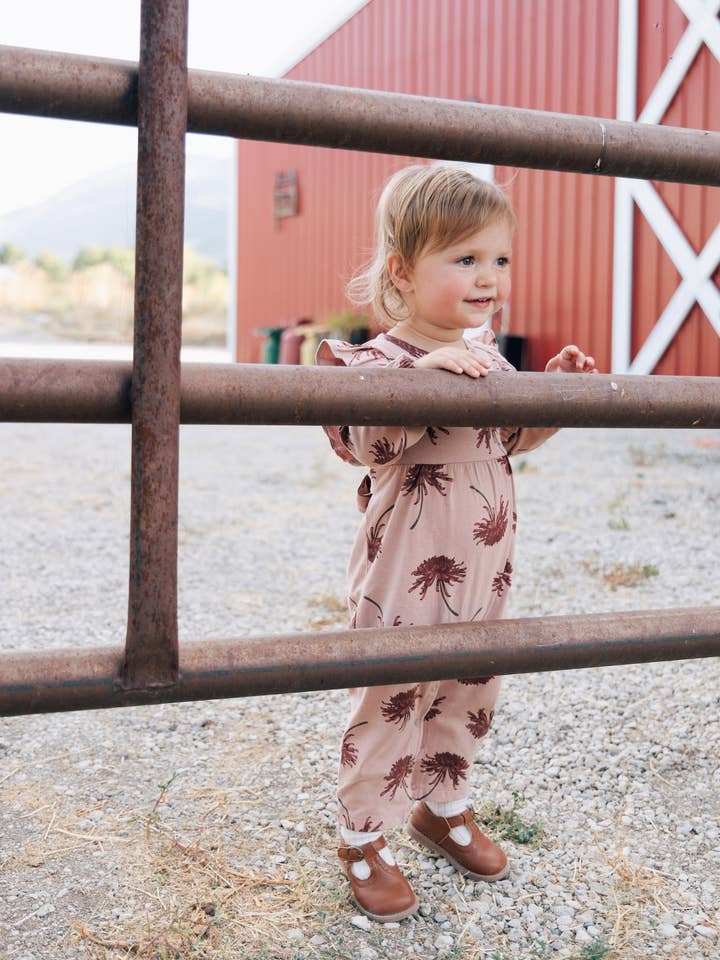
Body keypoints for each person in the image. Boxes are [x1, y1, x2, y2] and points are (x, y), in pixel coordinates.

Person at [316, 164, 597, 923]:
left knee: (470, 690)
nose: (489, 277)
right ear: (404, 270)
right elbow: (365, 441)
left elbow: (507, 438)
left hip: (484, 569)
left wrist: (551, 398)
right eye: (465, 259)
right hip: (403, 576)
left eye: (499, 259)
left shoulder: (492, 358)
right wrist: (422, 378)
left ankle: (442, 804)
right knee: (393, 694)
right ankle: (362, 836)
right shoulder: (375, 363)